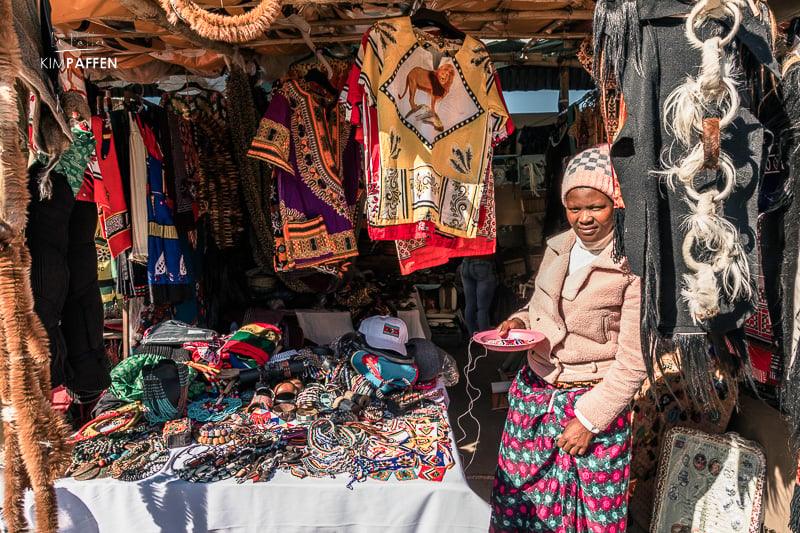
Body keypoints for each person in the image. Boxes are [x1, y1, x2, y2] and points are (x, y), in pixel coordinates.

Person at [489, 145, 646, 533]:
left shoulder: (633, 266)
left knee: (594, 510)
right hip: (534, 395)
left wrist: (589, 421)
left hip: (593, 402)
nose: (585, 218)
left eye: (597, 207)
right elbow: (541, 308)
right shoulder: (558, 248)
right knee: (520, 496)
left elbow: (633, 360)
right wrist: (518, 320)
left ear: (617, 202)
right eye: (575, 208)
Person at [460, 254, 497, 335]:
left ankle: (472, 337)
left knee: (470, 304)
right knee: (483, 308)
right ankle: (484, 340)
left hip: (465, 262)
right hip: (483, 263)